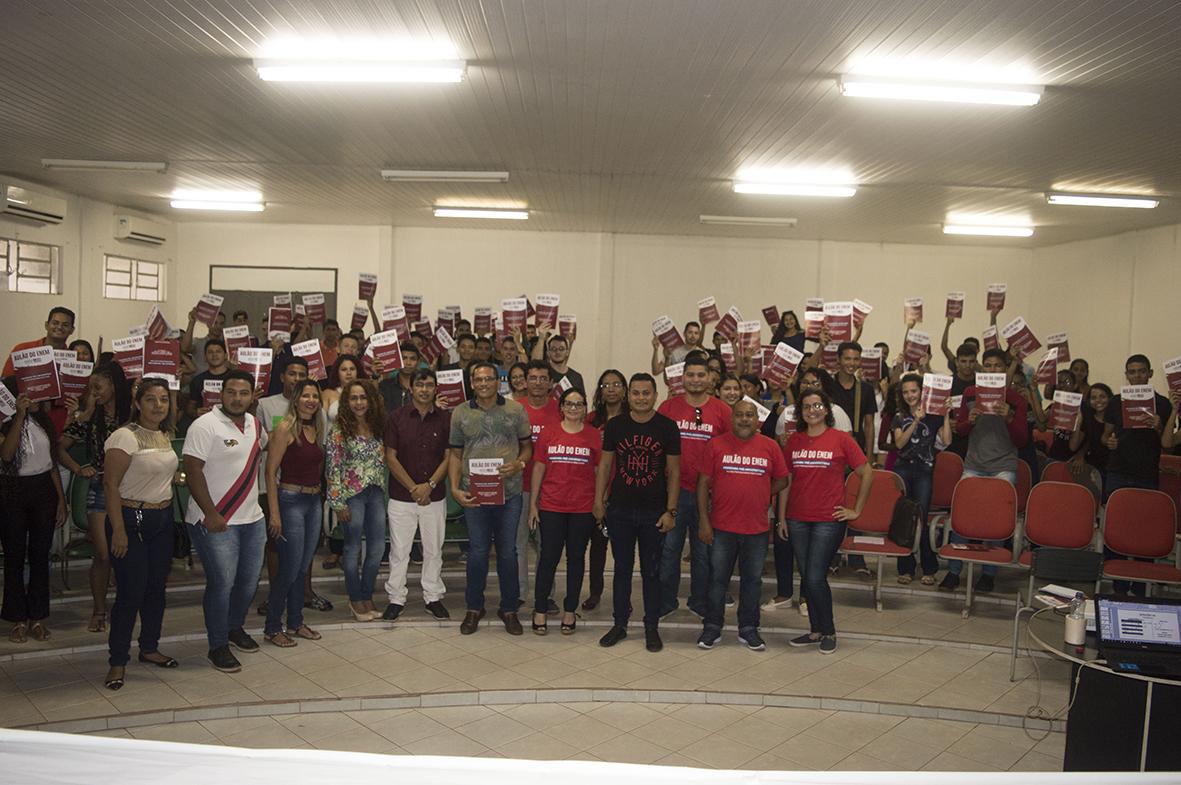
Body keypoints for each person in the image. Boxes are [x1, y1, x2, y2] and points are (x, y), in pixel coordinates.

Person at [182, 369, 267, 673]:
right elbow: (192, 472)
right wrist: (211, 513)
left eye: (244, 393)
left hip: (252, 519)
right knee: (222, 583)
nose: (237, 398)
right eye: (231, 392)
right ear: (221, 393)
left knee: (248, 582)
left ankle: (234, 627)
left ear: (251, 395)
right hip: (215, 519)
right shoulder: (204, 425)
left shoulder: (255, 425)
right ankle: (217, 645)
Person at [779, 389, 873, 655]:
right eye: (807, 406)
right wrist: (782, 517)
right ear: (800, 412)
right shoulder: (794, 442)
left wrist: (856, 510)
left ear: (827, 410)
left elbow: (866, 473)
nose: (812, 410)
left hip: (827, 520)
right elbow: (786, 482)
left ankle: (829, 631)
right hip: (797, 519)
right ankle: (815, 631)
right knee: (808, 578)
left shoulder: (841, 439)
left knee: (815, 576)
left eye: (817, 405)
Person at [100, 377, 180, 690]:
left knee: (156, 590)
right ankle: (117, 661)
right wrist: (118, 530)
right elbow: (110, 486)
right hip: (131, 519)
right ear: (137, 403)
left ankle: (149, 648)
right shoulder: (124, 436)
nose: (158, 405)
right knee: (131, 592)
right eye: (151, 399)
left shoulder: (164, 434)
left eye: (163, 399)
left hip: (161, 519)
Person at [595, 373, 681, 652]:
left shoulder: (667, 427)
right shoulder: (616, 425)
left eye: (646, 393)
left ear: (656, 395)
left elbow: (674, 472)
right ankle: (620, 624)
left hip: (654, 512)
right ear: (628, 395)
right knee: (621, 570)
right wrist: (599, 500)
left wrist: (671, 510)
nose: (641, 398)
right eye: (636, 393)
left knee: (651, 572)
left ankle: (651, 626)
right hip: (620, 510)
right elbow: (606, 466)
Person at [696, 399, 789, 651]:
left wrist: (761, 492)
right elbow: (703, 484)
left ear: (757, 419)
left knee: (752, 581)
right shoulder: (715, 445)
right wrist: (704, 521)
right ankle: (712, 627)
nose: (745, 419)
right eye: (740, 415)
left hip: (756, 529)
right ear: (732, 418)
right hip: (721, 527)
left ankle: (748, 628)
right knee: (717, 580)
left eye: (750, 415)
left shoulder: (770, 446)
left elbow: (782, 480)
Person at [448, 362, 532, 636]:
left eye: (489, 379)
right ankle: (474, 607)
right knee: (478, 553)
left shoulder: (515, 410)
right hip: (474, 494)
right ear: (472, 383)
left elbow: (527, 447)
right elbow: (456, 454)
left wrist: (519, 464)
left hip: (509, 494)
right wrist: (455, 488)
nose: (484, 383)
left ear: (498, 381)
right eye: (478, 379)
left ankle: (509, 609)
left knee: (508, 553)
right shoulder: (460, 412)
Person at [941, 348, 1029, 593]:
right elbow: (960, 430)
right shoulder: (971, 393)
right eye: (988, 366)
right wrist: (968, 421)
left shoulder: (1016, 399)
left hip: (1003, 466)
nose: (992, 370)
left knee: (995, 517)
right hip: (974, 464)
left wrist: (1009, 418)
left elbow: (1022, 440)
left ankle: (988, 573)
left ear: (1005, 369)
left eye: (997, 366)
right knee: (962, 512)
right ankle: (954, 570)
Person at [57, 362, 131, 633]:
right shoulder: (90, 418)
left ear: (113, 385)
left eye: (98, 387)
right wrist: (78, 468)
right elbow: (60, 447)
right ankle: (99, 610)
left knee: (127, 554)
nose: (94, 392)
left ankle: (125, 608)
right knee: (102, 553)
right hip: (100, 486)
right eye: (91, 388)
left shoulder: (132, 414)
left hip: (132, 489)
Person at [655, 355, 731, 619]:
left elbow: (730, 450)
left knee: (703, 553)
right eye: (691, 375)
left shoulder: (723, 411)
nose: (696, 380)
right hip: (673, 493)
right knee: (669, 551)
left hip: (708, 495)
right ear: (682, 378)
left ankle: (699, 602)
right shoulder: (667, 408)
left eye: (701, 375)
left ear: (710, 378)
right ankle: (665, 602)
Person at [528, 386, 601, 635]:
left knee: (576, 560)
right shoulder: (549, 433)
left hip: (582, 508)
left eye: (578, 404)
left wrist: (599, 502)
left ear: (585, 408)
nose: (573, 408)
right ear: (561, 408)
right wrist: (533, 505)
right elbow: (538, 467)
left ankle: (570, 610)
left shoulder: (593, 436)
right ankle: (539, 609)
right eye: (569, 404)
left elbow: (599, 471)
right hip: (551, 506)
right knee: (548, 559)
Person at [1, 378, 67, 643]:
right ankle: (17, 618)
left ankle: (38, 617)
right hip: (11, 490)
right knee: (15, 556)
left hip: (43, 490)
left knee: (41, 556)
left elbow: (51, 464)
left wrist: (61, 500)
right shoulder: (5, 422)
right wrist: (19, 416)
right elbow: (7, 455)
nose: (36, 399)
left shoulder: (45, 422)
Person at [382, 369, 452, 621]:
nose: (424, 389)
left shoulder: (445, 419)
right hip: (402, 496)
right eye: (419, 385)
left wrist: (429, 485)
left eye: (429, 385)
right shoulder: (396, 418)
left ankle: (432, 597)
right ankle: (396, 598)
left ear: (436, 389)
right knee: (400, 550)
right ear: (410, 388)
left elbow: (449, 457)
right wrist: (414, 488)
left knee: (434, 549)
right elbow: (390, 456)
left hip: (434, 495)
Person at [262, 379, 326, 647]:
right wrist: (274, 513)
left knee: (301, 567)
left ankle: (296, 622)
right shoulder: (284, 428)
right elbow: (269, 472)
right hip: (290, 501)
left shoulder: (318, 429)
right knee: (288, 569)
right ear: (296, 399)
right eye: (306, 396)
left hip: (313, 502)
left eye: (315, 396)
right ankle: (273, 626)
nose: (310, 400)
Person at [1102, 355, 1173, 596]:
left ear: (1150, 374)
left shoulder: (1163, 404)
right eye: (1132, 372)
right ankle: (1118, 585)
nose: (1137, 376)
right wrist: (1109, 442)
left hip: (1146, 473)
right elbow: (1106, 436)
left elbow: (1168, 444)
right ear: (1126, 375)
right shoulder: (1116, 401)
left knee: (1144, 530)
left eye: (1141, 372)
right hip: (1118, 471)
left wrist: (1158, 426)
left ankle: (1142, 586)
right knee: (1116, 526)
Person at [326, 379, 388, 621]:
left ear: (370, 400)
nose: (359, 403)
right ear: (346, 402)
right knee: (351, 549)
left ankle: (366, 595)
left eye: (363, 398)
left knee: (377, 548)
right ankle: (355, 599)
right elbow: (332, 468)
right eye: (354, 398)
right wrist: (338, 503)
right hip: (351, 496)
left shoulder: (378, 426)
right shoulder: (339, 430)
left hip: (376, 493)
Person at [891, 374, 953, 585]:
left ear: (922, 392)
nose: (910, 395)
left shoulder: (935, 416)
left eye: (914, 391)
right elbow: (899, 443)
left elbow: (946, 441)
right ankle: (906, 568)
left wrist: (945, 415)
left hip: (924, 471)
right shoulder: (899, 416)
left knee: (922, 517)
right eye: (906, 392)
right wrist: (916, 420)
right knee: (904, 518)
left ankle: (929, 567)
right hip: (903, 471)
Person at [517, 361, 562, 610]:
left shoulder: (561, 411)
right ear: (525, 381)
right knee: (519, 543)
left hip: (551, 489)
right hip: (519, 488)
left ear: (550, 383)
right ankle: (520, 593)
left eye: (543, 378)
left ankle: (547, 595)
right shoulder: (514, 409)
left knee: (549, 546)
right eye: (532, 378)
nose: (537, 382)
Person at [582, 368, 627, 611]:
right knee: (597, 546)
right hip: (593, 491)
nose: (611, 389)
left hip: (623, 492)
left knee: (622, 549)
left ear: (624, 390)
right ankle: (595, 592)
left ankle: (623, 596)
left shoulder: (632, 418)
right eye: (606, 385)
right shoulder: (590, 420)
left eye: (616, 384)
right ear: (600, 390)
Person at [3, 306, 76, 377]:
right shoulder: (22, 349)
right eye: (55, 323)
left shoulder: (74, 360)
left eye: (65, 325)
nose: (59, 327)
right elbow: (5, 382)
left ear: (72, 330)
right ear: (46, 325)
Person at [185, 339, 231, 420]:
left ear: (226, 355)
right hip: (206, 423)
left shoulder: (234, 378)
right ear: (205, 357)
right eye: (210, 352)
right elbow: (189, 408)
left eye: (218, 351)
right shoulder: (197, 380)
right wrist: (196, 412)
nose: (214, 355)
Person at [378, 342, 422, 415]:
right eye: (404, 358)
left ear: (418, 362)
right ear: (397, 360)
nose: (408, 363)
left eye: (412, 359)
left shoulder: (423, 387)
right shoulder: (385, 386)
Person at [181, 307, 225, 375]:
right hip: (200, 383)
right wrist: (191, 322)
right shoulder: (198, 342)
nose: (218, 326)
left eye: (221, 323)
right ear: (208, 324)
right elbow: (185, 348)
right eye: (215, 323)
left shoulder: (227, 345)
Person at [322, 354, 361, 423]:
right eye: (344, 369)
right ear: (337, 373)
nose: (349, 373)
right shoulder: (328, 393)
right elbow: (320, 421)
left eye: (352, 369)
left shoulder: (365, 392)